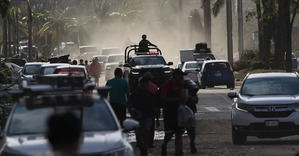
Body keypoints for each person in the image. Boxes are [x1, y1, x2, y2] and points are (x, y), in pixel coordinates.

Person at [161, 69, 186, 156]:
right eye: (180, 76)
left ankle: (178, 151)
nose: (182, 78)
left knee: (179, 133)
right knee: (169, 133)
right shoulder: (167, 85)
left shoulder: (182, 85)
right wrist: (176, 99)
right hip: (169, 112)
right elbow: (163, 98)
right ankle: (164, 145)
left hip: (179, 112)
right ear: (176, 76)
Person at [128, 77, 155, 156]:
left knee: (146, 133)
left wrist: (155, 118)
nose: (144, 86)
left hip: (148, 117)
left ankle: (144, 149)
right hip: (138, 118)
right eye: (143, 84)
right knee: (140, 136)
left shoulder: (150, 94)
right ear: (140, 84)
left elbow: (154, 106)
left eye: (145, 84)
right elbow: (129, 105)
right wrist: (133, 112)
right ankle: (142, 148)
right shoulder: (134, 94)